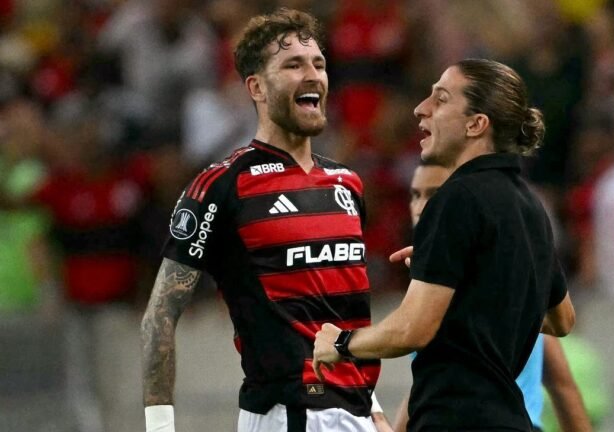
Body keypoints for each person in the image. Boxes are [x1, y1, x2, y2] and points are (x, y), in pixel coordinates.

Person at [141, 9, 391, 432]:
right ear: (256, 87)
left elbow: (339, 316)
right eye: (293, 65)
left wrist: (374, 412)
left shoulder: (347, 183)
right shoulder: (222, 186)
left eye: (318, 64)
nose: (312, 75)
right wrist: (160, 428)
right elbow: (160, 314)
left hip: (356, 413)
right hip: (286, 413)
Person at [313, 59, 576, 431]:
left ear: (476, 124)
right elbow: (562, 319)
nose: (421, 109)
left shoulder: (456, 198)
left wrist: (341, 343)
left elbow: (412, 329)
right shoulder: (531, 204)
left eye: (441, 99)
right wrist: (469, 279)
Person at [391, 161, 590, 432]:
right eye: (416, 195)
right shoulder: (432, 284)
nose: (421, 207)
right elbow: (431, 385)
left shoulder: (500, 280)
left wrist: (345, 343)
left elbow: (561, 382)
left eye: (434, 193)